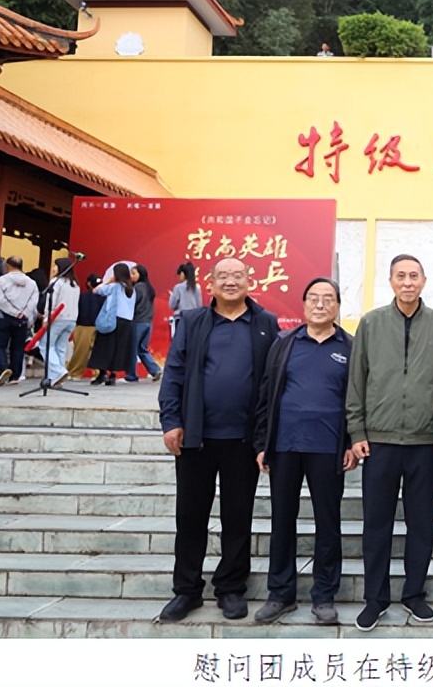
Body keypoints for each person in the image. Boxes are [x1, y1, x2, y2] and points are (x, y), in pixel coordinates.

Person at [157, 257, 280, 622]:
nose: (230, 281)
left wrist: (266, 438)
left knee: (237, 517)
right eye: (223, 276)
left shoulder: (265, 323)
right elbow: (174, 373)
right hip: (196, 437)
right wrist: (171, 421)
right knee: (190, 516)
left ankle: (231, 587)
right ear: (209, 283)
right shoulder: (193, 321)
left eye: (237, 276)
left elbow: (272, 382)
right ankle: (187, 590)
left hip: (243, 440)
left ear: (249, 281)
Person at [346, 254, 433, 632]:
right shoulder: (372, 323)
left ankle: (414, 594)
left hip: (425, 441)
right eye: (401, 276)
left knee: (422, 523)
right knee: (377, 524)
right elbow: (357, 380)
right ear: (391, 281)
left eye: (414, 276)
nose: (408, 282)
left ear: (424, 281)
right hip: (380, 441)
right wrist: (357, 432)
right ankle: (375, 599)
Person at [253, 277, 354, 626]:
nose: (320, 304)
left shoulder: (350, 347)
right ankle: (280, 594)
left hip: (328, 449)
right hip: (285, 446)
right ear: (304, 304)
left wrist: (351, 442)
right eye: (313, 298)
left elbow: (358, 400)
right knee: (282, 521)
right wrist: (262, 443)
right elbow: (266, 395)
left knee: (328, 523)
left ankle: (324, 596)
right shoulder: (284, 343)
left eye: (328, 299)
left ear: (338, 306)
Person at [0, 256, 39, 386]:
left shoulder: (1, 281)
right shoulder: (32, 283)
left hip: (4, 316)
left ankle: (3, 368)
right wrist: (24, 313)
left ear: (8, 266)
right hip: (22, 318)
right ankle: (15, 375)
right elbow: (33, 301)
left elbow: (0, 300)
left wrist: (13, 312)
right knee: (18, 347)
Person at [88, 263, 136, 386]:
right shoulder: (131, 289)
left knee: (104, 347)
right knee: (118, 349)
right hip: (126, 322)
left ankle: (102, 374)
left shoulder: (114, 287)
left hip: (112, 320)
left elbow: (96, 290)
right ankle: (113, 375)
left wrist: (107, 281)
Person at [43, 258, 80, 387]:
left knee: (45, 345)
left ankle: (58, 371)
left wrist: (46, 318)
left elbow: (51, 302)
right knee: (60, 347)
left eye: (55, 265)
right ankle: (56, 378)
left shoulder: (56, 282)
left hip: (57, 317)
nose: (53, 268)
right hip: (71, 319)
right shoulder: (75, 284)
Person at [127, 264, 162, 382]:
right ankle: (155, 370)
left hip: (137, 322)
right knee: (142, 349)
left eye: (133, 273)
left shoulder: (138, 288)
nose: (131, 276)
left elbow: (132, 303)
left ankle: (131, 375)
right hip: (148, 322)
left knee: (132, 349)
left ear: (140, 274)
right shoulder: (149, 287)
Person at [66, 274, 102, 379]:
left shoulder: (82, 297)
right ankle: (99, 374)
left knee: (80, 353)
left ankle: (75, 372)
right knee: (98, 352)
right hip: (99, 327)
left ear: (89, 284)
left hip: (82, 327)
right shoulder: (104, 298)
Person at [169, 262, 204, 336]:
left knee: (180, 340)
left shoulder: (178, 287)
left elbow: (172, 305)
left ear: (182, 274)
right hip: (194, 319)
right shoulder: (197, 287)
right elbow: (199, 305)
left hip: (181, 319)